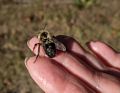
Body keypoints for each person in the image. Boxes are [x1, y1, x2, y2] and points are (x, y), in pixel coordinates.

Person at [25, 35, 120, 93]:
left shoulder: (42, 41)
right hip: (51, 51)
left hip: (50, 52)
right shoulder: (49, 39)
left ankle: (39, 55)